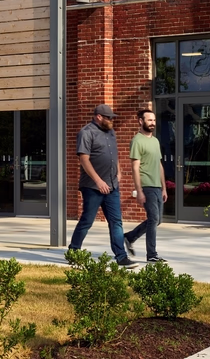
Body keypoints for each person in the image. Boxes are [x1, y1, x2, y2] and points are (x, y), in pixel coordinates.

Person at [67, 104, 137, 267]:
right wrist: (98, 181)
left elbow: (114, 154)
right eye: (109, 118)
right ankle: (74, 250)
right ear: (99, 117)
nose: (112, 120)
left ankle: (121, 257)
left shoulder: (111, 132)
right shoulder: (86, 132)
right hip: (92, 186)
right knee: (87, 221)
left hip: (112, 186)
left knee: (116, 221)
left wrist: (119, 172)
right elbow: (84, 159)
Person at [124, 108, 168, 263]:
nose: (152, 123)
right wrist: (139, 190)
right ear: (140, 121)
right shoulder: (137, 141)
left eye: (154, 120)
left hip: (157, 186)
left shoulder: (155, 141)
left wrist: (164, 188)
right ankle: (152, 255)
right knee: (153, 218)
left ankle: (130, 237)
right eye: (149, 120)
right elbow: (135, 167)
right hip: (146, 185)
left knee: (157, 220)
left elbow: (159, 165)